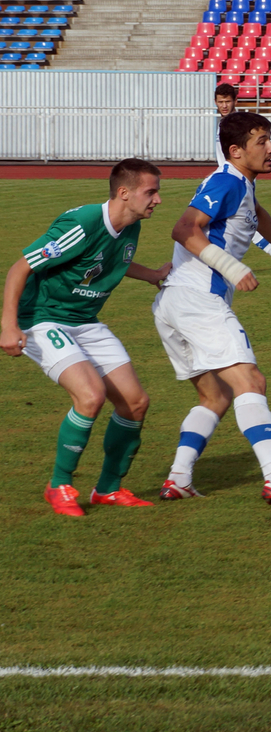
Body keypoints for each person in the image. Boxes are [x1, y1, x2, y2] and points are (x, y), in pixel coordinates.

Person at [154, 111, 271, 504]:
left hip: (172, 305)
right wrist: (232, 268)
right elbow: (184, 229)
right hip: (198, 300)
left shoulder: (241, 185)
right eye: (262, 141)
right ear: (236, 151)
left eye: (269, 139)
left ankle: (179, 478)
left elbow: (257, 214)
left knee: (215, 398)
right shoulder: (225, 181)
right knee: (251, 382)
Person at [0, 159, 169, 515]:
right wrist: (8, 325)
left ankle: (108, 489)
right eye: (150, 192)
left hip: (85, 320)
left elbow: (111, 263)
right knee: (90, 396)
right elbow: (21, 267)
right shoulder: (81, 224)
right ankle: (59, 485)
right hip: (44, 319)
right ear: (124, 193)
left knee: (135, 403)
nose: (157, 200)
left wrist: (152, 274)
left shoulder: (131, 225)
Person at [213, 84, 271, 278]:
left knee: (245, 223)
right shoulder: (222, 125)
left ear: (235, 101)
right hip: (227, 181)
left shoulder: (242, 125)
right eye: (220, 102)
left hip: (237, 181)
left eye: (228, 101)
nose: (224, 105)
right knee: (245, 222)